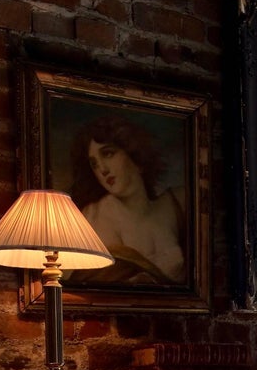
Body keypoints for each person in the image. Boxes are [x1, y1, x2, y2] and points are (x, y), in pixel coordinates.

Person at [68, 115, 186, 284]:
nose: (102, 169)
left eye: (108, 154)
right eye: (94, 164)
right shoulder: (96, 215)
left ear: (136, 156)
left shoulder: (175, 203)